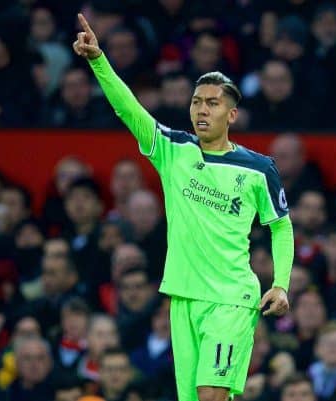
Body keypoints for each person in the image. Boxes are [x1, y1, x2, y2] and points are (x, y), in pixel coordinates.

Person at [73, 13, 294, 401]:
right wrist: (98, 61)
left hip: (231, 298)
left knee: (211, 393)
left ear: (232, 114)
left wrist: (280, 283)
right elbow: (130, 111)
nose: (201, 110)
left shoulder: (259, 168)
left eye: (212, 103)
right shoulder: (174, 151)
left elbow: (280, 226)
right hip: (183, 298)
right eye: (196, 102)